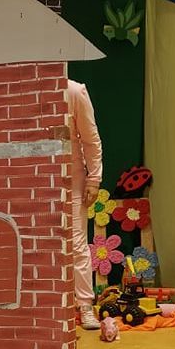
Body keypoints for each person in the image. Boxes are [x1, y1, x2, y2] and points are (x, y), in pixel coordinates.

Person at [67, 79, 103, 330]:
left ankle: (85, 305)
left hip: (72, 179)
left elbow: (91, 140)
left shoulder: (74, 91)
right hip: (38, 179)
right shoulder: (28, 88)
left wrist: (94, 179)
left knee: (77, 242)